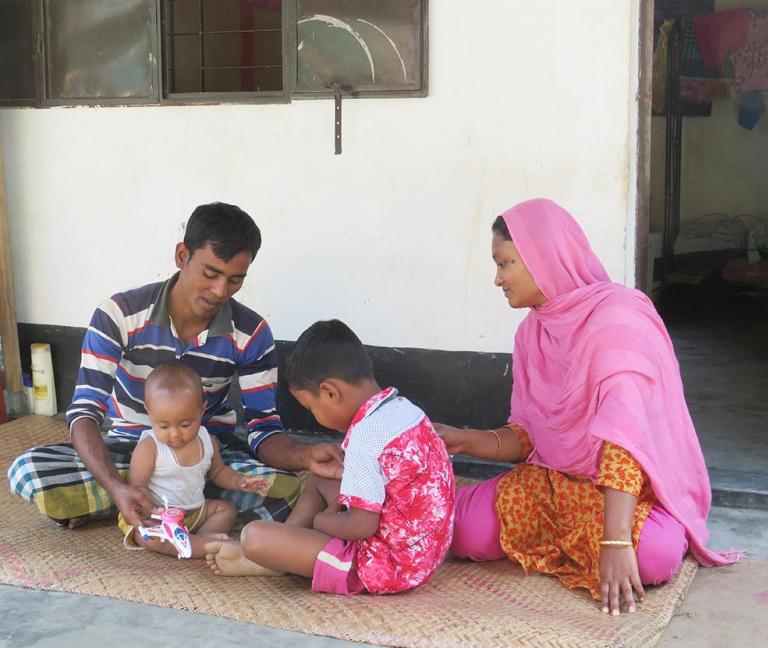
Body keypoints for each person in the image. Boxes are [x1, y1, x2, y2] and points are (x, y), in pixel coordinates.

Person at [434, 198, 739, 616]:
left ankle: (617, 542)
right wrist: (462, 440)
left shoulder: (617, 317)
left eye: (505, 264)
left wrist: (615, 540)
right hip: (553, 485)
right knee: (464, 530)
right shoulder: (532, 333)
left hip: (625, 494)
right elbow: (527, 437)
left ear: (543, 258)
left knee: (654, 555)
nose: (497, 279)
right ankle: (579, 546)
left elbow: (626, 438)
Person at [8, 202, 342, 531]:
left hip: (209, 457)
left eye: (235, 280)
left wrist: (304, 457)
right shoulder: (119, 314)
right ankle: (148, 501)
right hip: (128, 452)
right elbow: (83, 413)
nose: (219, 291)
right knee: (27, 470)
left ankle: (131, 507)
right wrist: (116, 483)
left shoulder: (251, 333)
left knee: (286, 489)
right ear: (182, 255)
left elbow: (263, 429)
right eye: (210, 274)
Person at [204, 320, 455, 596]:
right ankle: (286, 549)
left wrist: (321, 521)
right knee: (320, 476)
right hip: (424, 555)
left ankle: (280, 556)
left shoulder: (364, 437)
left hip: (385, 567)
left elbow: (361, 526)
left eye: (311, 408)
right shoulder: (404, 409)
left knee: (254, 536)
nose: (314, 416)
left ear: (330, 392)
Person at [121, 361, 271, 559]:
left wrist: (240, 482)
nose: (175, 434)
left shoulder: (207, 440)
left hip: (196, 511)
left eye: (185, 424)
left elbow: (218, 472)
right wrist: (153, 511)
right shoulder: (150, 447)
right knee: (150, 537)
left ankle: (205, 536)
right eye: (163, 426)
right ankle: (213, 547)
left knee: (226, 509)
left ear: (202, 409)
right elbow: (137, 488)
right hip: (160, 518)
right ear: (149, 411)